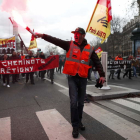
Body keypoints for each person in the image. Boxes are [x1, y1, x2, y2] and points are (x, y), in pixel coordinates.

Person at [36, 27, 105, 138]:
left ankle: (79, 121)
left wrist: (102, 75)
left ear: (83, 36)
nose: (75, 35)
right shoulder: (69, 45)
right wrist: (42, 35)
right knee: (74, 102)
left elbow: (97, 62)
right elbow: (55, 40)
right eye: (74, 33)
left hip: (82, 78)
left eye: (78, 33)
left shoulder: (90, 48)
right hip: (72, 78)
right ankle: (75, 126)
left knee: (81, 103)